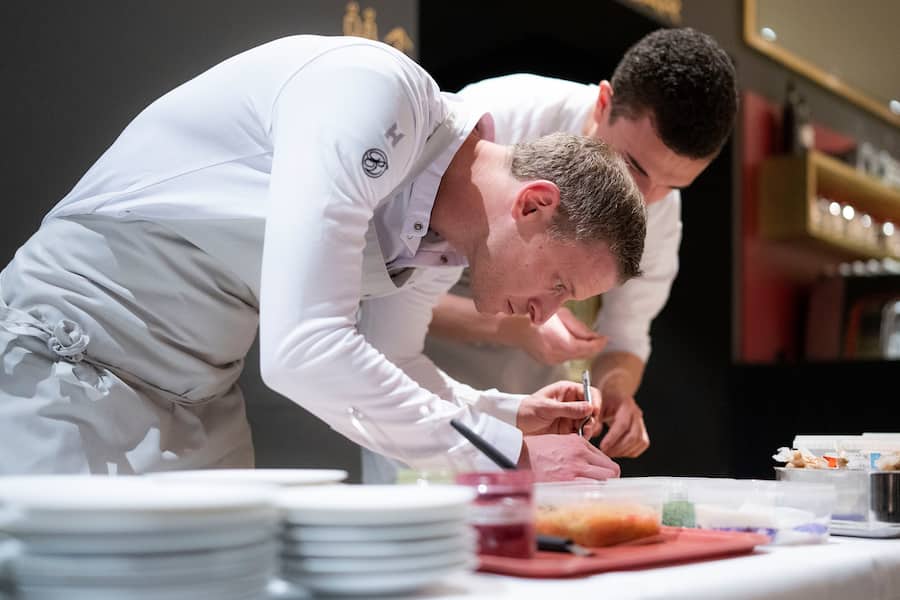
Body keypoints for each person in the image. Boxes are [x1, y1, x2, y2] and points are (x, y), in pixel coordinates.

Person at [0, 35, 647, 479]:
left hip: (199, 404)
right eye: (558, 283)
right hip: (73, 358)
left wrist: (506, 415)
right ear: (533, 204)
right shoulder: (377, 96)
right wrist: (508, 456)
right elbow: (304, 349)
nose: (543, 315)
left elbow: (388, 363)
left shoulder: (447, 235)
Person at [417, 28, 738, 467]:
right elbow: (383, 298)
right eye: (636, 167)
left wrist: (616, 392)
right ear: (604, 103)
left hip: (531, 404)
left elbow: (626, 334)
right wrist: (510, 327)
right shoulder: (501, 117)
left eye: (674, 185)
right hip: (417, 384)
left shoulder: (660, 208)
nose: (646, 198)